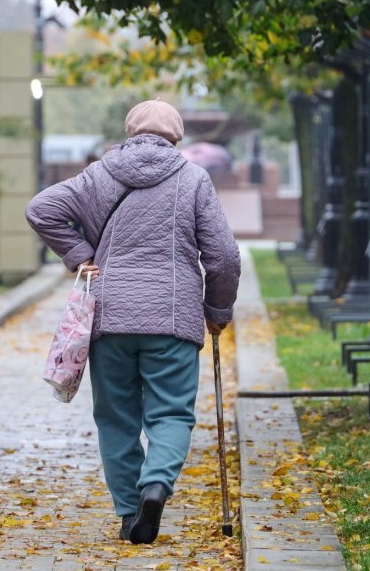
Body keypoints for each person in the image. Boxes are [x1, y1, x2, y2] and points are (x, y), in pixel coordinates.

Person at [25, 99, 241, 544]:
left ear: (129, 131)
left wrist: (81, 256)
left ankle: (129, 513)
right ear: (176, 136)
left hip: (111, 316)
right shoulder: (193, 179)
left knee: (116, 416)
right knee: (172, 412)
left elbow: (41, 209)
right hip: (173, 317)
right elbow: (223, 257)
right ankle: (156, 485)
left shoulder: (98, 175)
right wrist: (218, 313)